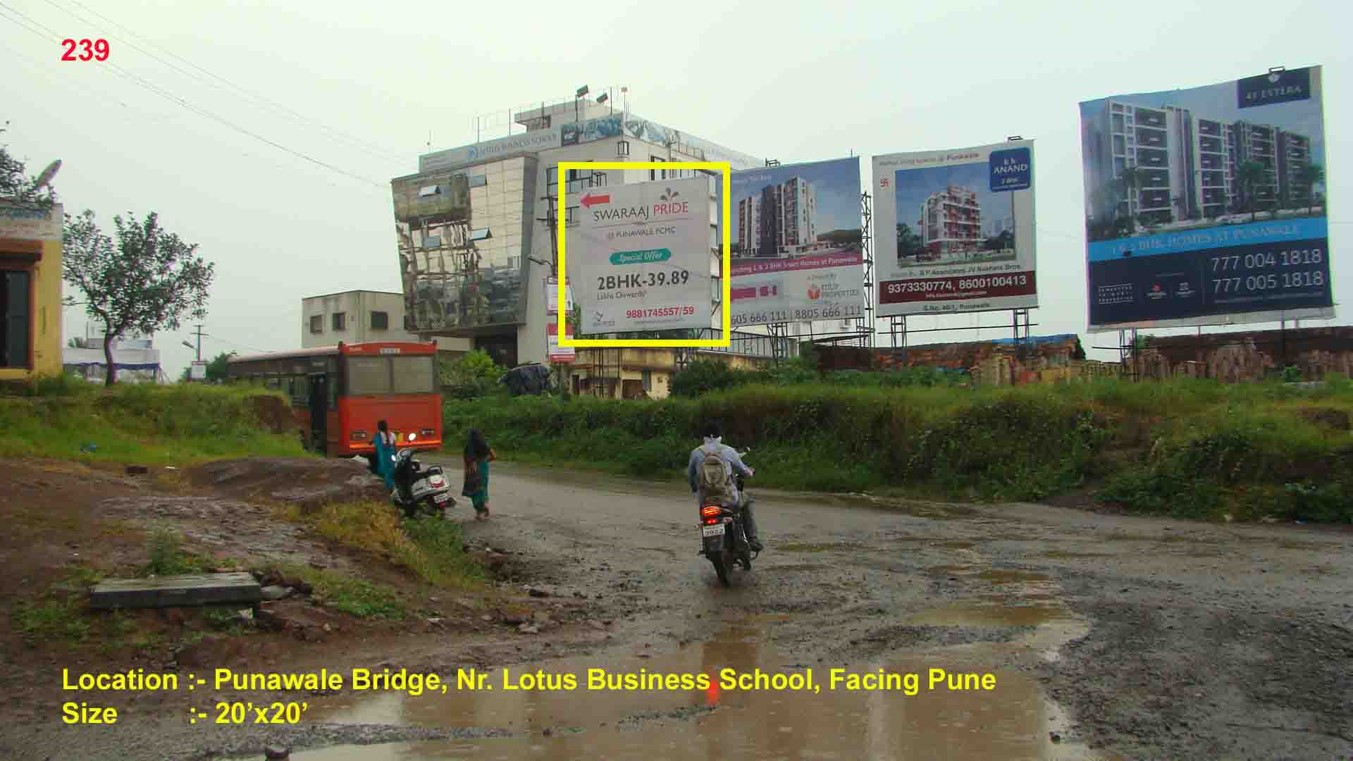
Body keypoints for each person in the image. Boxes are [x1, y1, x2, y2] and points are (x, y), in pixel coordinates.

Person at [687, 422, 761, 553]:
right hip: (728, 498)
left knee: (704, 517)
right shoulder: (728, 450)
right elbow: (744, 470)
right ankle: (752, 539)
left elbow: (691, 476)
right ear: (718, 436)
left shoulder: (696, 453)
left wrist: (696, 491)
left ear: (704, 437)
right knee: (747, 501)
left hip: (706, 500)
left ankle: (706, 545)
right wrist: (750, 472)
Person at [462, 428, 497, 521]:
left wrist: (467, 472)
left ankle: (479, 511)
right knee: (482, 488)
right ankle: (484, 507)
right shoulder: (484, 445)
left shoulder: (468, 447)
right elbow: (494, 456)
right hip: (483, 467)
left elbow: (467, 462)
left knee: (474, 490)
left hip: (472, 470)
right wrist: (484, 462)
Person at [373, 420, 397, 491]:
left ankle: (389, 488)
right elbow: (395, 446)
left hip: (384, 456)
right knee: (391, 471)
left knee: (385, 471)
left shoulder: (378, 436)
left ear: (378, 427)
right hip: (392, 455)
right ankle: (393, 487)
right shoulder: (392, 434)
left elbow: (376, 447)